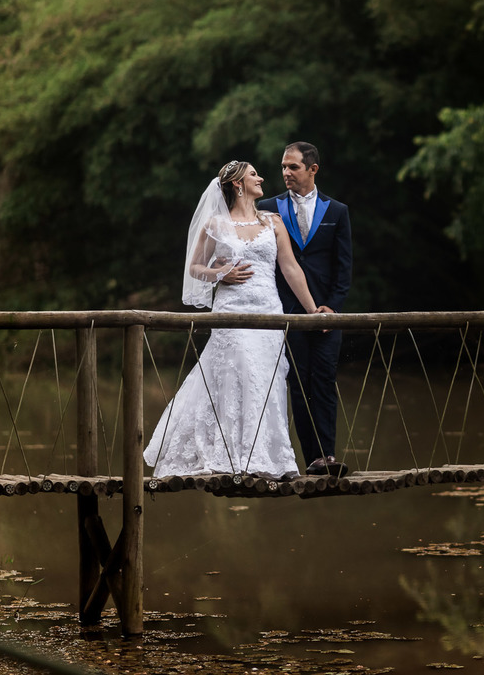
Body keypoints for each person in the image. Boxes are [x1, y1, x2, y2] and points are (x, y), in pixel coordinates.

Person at [143, 160, 323, 479]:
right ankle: (231, 456)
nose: (261, 178)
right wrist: (220, 273)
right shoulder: (216, 224)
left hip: (269, 312)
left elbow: (290, 268)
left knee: (267, 381)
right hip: (231, 312)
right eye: (254, 174)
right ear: (238, 184)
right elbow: (196, 267)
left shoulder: (273, 222)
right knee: (240, 373)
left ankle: (270, 459)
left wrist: (313, 311)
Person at [258, 141, 352, 477]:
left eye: (293, 167)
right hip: (286, 313)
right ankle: (311, 458)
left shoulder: (337, 211)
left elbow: (343, 269)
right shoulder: (267, 208)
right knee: (298, 384)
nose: (285, 173)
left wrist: (332, 308)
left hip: (327, 313)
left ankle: (327, 455)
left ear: (312, 169)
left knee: (324, 380)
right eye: (283, 166)